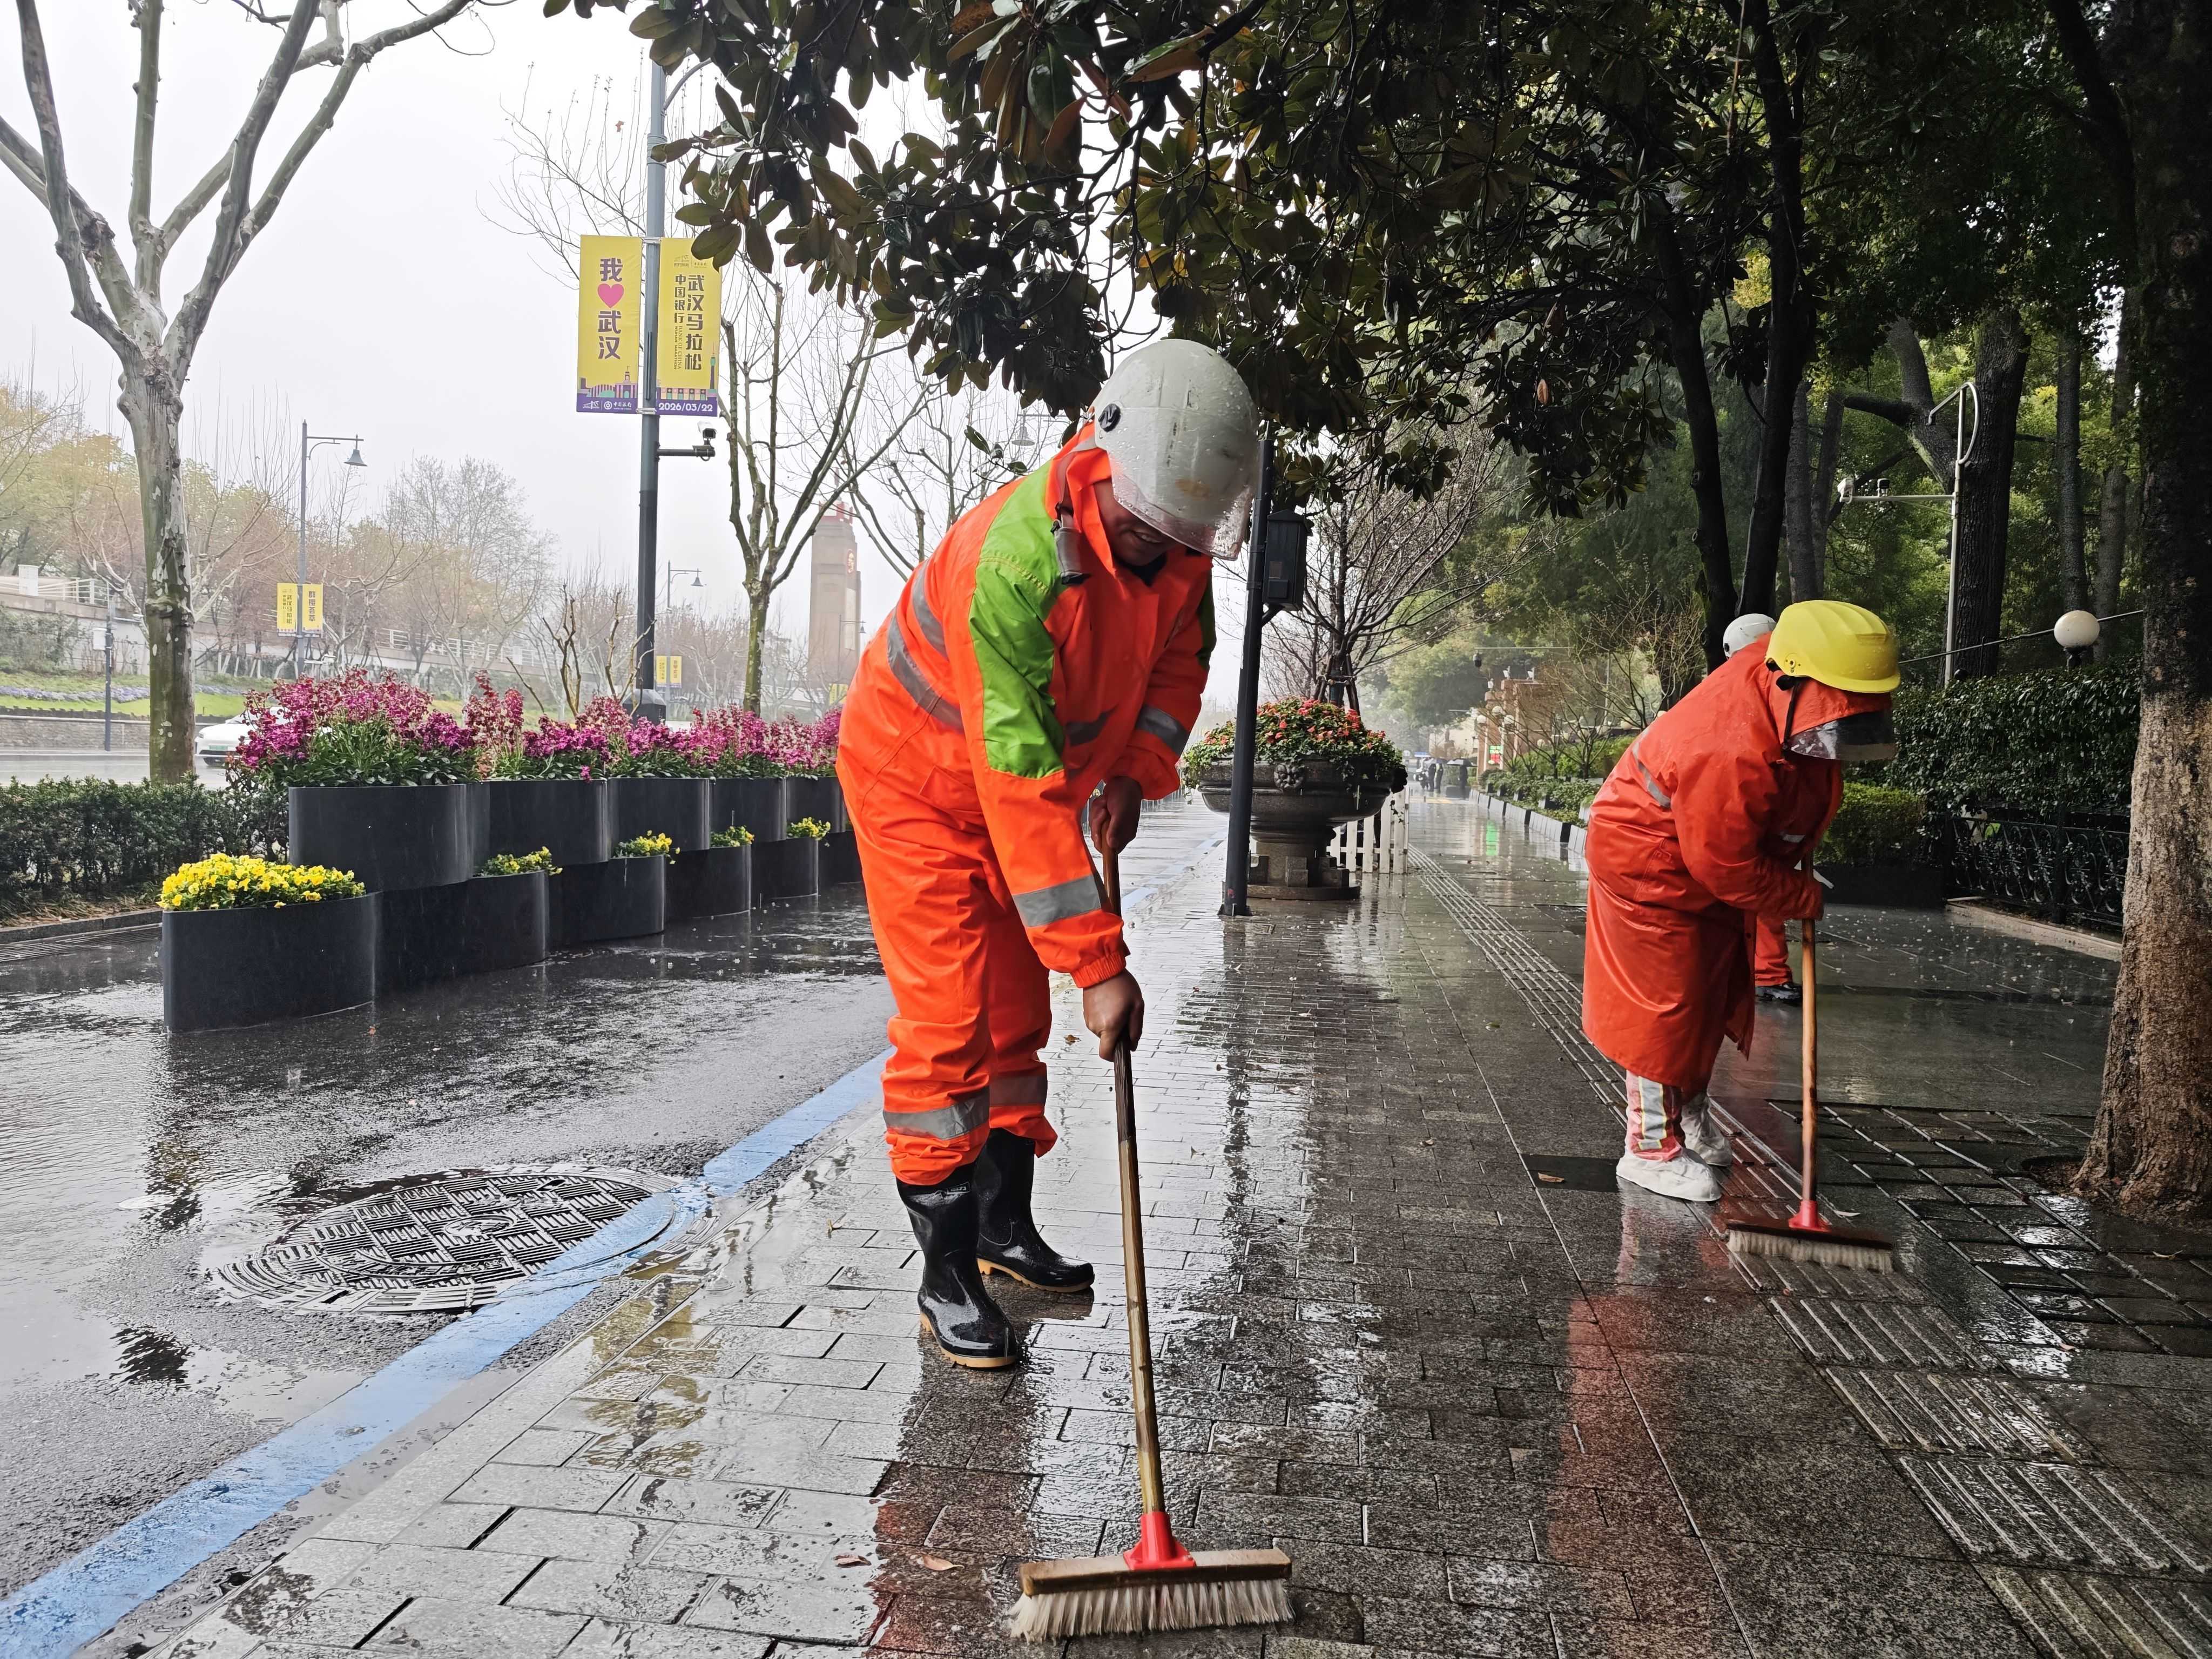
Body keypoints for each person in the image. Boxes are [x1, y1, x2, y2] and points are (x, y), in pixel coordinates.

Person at [835, 340, 1260, 1368]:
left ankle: (1000, 1230)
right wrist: (1102, 965)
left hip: (1027, 792)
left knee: (1018, 1019)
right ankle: (945, 1282)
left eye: (1182, 533)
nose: (1161, 548)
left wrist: (1133, 776)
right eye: (1146, 524)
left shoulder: (1182, 548)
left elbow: (1177, 670)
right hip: (919, 789)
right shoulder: (1018, 560)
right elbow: (1019, 783)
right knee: (948, 1029)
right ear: (1102, 455)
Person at [1580, 601, 1900, 1202]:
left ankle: (1688, 1116)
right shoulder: (1725, 745)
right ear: (1791, 677)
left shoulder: (1791, 677)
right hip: (1650, 866)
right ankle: (1649, 1147)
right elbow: (1723, 863)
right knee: (1665, 1007)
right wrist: (1795, 893)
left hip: (1703, 860)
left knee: (1709, 997)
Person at [1719, 614, 1804, 1006]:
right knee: (1760, 889)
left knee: (1756, 890)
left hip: (1741, 806)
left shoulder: (1730, 691)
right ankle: (1765, 973)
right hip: (1748, 806)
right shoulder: (1772, 689)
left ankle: (1761, 972)